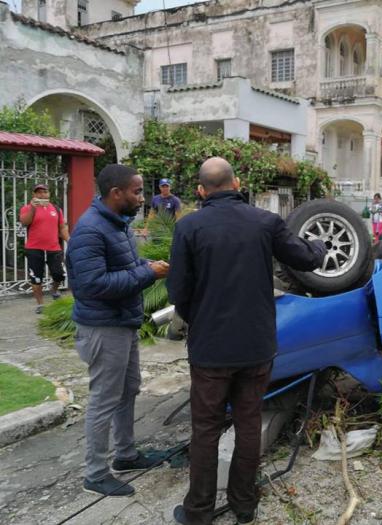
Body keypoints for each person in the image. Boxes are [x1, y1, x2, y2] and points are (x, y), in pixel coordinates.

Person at [167, 157, 327, 525]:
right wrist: (318, 244)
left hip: (210, 350)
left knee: (205, 429)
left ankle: (198, 512)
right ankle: (244, 506)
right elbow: (304, 259)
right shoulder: (265, 222)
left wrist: (201, 322)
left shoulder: (189, 227)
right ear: (237, 183)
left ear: (200, 191)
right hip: (256, 347)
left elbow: (179, 291)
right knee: (248, 423)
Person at [66, 164, 169, 497]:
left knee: (129, 389)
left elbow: (126, 266)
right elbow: (93, 285)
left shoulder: (118, 224)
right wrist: (147, 276)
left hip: (122, 322)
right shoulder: (90, 231)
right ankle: (95, 474)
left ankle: (125, 455)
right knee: (104, 399)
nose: (142, 197)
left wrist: (150, 267)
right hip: (102, 327)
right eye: (137, 192)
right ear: (116, 193)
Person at [19, 184, 70, 313]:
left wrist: (70, 240)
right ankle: (40, 304)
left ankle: (54, 290)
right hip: (34, 249)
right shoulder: (27, 208)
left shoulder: (56, 209)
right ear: (34, 195)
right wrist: (32, 208)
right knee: (36, 278)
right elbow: (24, 222)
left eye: (44, 192)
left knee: (60, 274)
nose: (42, 195)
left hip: (54, 248)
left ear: (49, 194)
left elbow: (62, 228)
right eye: (39, 192)